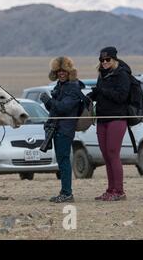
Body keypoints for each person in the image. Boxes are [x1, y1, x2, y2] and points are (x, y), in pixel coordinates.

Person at [88, 47, 130, 201]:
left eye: (108, 60)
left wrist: (102, 90)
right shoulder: (102, 75)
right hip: (102, 119)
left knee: (113, 153)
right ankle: (110, 189)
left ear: (114, 60)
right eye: (102, 60)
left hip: (117, 119)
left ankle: (119, 191)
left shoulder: (122, 75)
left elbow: (121, 97)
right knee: (106, 155)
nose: (104, 62)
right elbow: (100, 93)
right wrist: (90, 95)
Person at [40, 57, 83, 203]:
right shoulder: (60, 85)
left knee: (64, 160)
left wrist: (49, 100)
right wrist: (48, 103)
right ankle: (65, 192)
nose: (61, 73)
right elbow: (54, 109)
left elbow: (64, 108)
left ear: (69, 71)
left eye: (64, 70)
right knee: (61, 160)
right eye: (58, 71)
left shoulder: (73, 87)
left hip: (65, 129)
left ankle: (67, 193)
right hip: (57, 127)